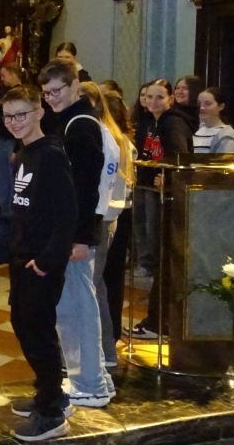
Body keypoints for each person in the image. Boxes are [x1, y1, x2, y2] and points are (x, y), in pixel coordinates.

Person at [1, 85, 76, 442]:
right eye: (8, 116)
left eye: (21, 114)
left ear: (39, 112)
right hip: (23, 256)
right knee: (22, 323)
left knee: (38, 331)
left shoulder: (51, 155)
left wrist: (46, 260)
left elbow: (67, 214)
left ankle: (51, 413)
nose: (14, 122)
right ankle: (50, 392)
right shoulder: (25, 152)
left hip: (41, 261)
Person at [38, 60, 113, 408]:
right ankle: (93, 377)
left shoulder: (80, 125)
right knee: (75, 305)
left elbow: (86, 187)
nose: (51, 98)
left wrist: (81, 238)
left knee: (77, 307)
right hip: (70, 230)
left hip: (76, 233)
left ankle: (90, 384)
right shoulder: (70, 119)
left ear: (74, 87)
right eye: (46, 93)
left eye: (57, 91)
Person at [129, 79, 193, 338]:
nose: (153, 101)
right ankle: (157, 320)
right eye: (149, 97)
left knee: (164, 254)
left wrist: (166, 178)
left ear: (170, 100)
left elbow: (180, 158)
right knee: (155, 249)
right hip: (151, 189)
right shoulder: (149, 121)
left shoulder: (173, 123)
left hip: (169, 196)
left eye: (159, 97)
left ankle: (161, 323)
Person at [78, 81, 133, 369]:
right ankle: (102, 350)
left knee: (92, 286)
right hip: (107, 216)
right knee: (95, 284)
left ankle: (103, 351)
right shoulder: (112, 135)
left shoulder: (105, 136)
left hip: (102, 218)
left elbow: (101, 184)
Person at [99, 88, 136, 365]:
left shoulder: (115, 142)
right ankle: (110, 332)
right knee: (111, 276)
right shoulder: (124, 141)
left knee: (106, 277)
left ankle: (108, 335)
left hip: (113, 214)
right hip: (121, 212)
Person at [0, 65, 26, 214]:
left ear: (14, 74)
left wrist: (17, 149)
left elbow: (22, 122)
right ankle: (5, 214)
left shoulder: (22, 93)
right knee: (1, 179)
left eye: (4, 75)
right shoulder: (5, 92)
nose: (2, 79)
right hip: (1, 138)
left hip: (13, 141)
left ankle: (13, 215)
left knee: (12, 179)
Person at [194, 86, 234, 153]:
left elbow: (225, 160)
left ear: (221, 106)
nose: (201, 108)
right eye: (199, 104)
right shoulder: (197, 131)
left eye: (207, 104)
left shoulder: (227, 136)